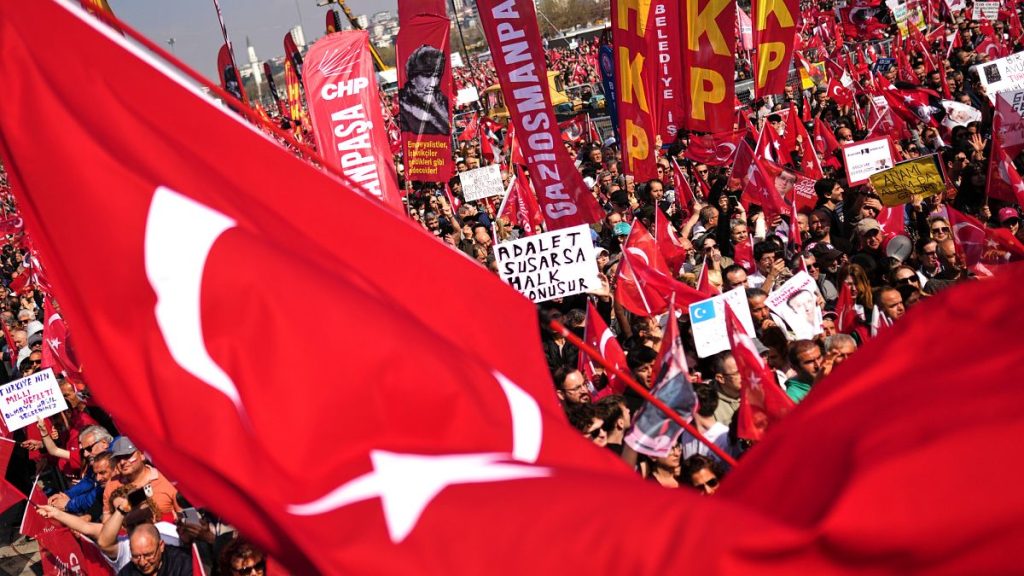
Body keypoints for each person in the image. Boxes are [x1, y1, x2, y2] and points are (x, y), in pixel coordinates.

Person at [398, 45, 450, 135]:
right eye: (427, 76)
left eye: (437, 76)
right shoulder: (401, 108)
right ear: (413, 78)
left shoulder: (444, 101)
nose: (434, 83)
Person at [119, 523, 191, 576]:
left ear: (161, 546)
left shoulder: (183, 564)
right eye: (136, 556)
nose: (142, 563)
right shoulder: (126, 573)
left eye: (148, 555)